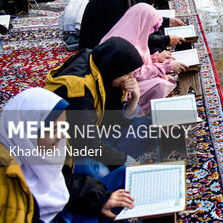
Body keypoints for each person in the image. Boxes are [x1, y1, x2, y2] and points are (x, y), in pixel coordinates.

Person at [0, 88, 133, 222]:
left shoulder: (35, 146)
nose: (62, 135)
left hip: (65, 209)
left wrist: (100, 199)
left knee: (125, 175)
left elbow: (64, 180)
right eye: (54, 129)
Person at [46, 37, 156, 178]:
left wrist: (135, 97)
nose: (131, 79)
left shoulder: (101, 67)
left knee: (149, 127)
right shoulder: (80, 91)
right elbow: (87, 143)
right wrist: (122, 160)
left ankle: (113, 153)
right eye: (127, 74)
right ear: (114, 69)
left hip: (97, 131)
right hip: (74, 148)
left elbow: (114, 119)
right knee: (99, 171)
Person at [100, 4, 188, 116]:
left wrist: (155, 59)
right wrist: (165, 67)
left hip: (126, 80)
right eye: (151, 27)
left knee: (162, 77)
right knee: (160, 85)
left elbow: (138, 63)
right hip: (118, 88)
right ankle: (138, 110)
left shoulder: (131, 31)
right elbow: (133, 74)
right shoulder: (126, 43)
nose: (151, 31)